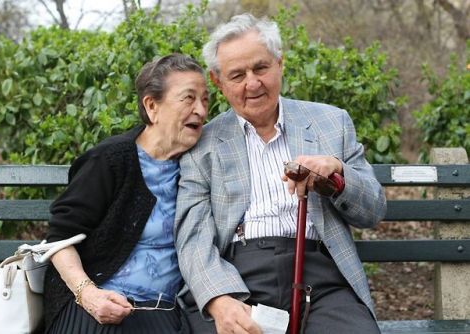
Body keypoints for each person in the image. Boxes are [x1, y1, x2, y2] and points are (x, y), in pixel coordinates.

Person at [174, 14, 387, 334]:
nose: (253, 83)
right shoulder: (202, 146)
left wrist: (337, 177)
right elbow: (193, 240)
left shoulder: (332, 123)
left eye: (261, 68)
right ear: (218, 82)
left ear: (279, 63)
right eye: (237, 75)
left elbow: (373, 210)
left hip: (322, 283)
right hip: (239, 279)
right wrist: (219, 300)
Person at [42, 53, 209, 334]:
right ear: (152, 106)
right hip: (94, 305)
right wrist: (89, 295)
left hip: (163, 312)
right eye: (189, 98)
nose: (202, 111)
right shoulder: (111, 159)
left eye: (206, 100)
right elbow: (59, 239)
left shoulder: (198, 163)